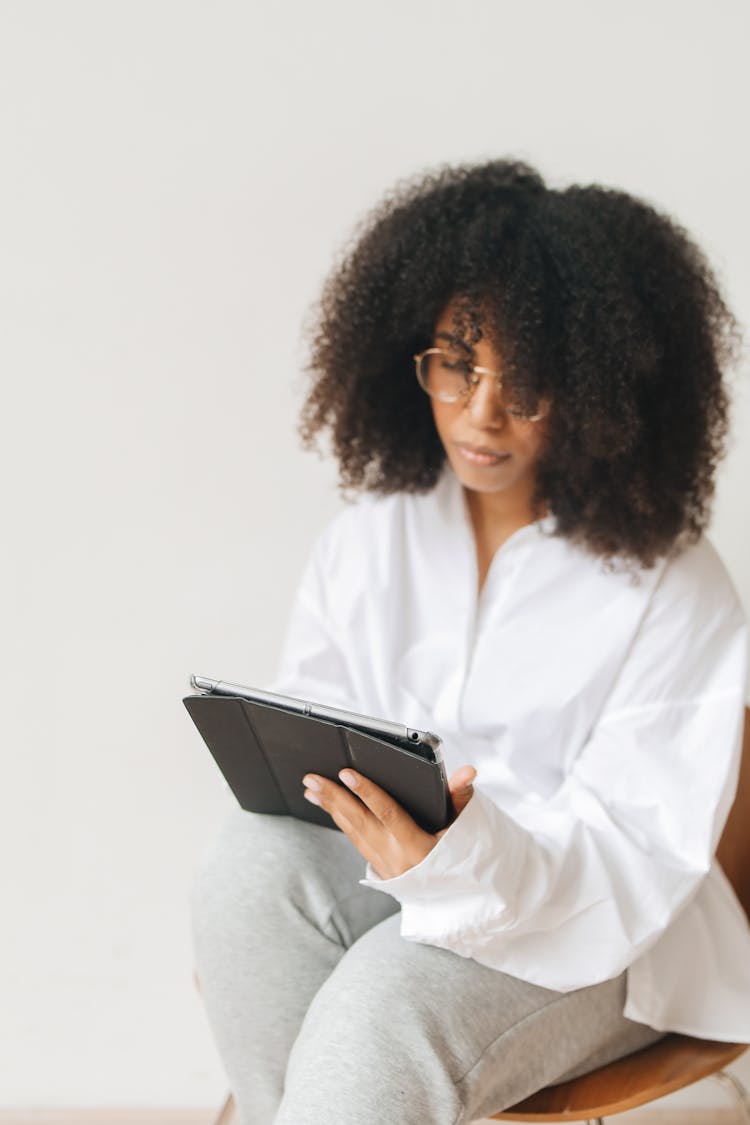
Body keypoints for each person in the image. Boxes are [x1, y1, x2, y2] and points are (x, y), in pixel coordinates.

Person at [189, 159, 750, 1125]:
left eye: (529, 383)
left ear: (603, 390)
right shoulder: (374, 537)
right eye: (457, 361)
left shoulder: (673, 580)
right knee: (248, 868)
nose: (482, 412)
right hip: (405, 889)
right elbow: (309, 774)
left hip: (596, 934)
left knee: (378, 1014)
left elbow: (632, 856)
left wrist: (454, 858)